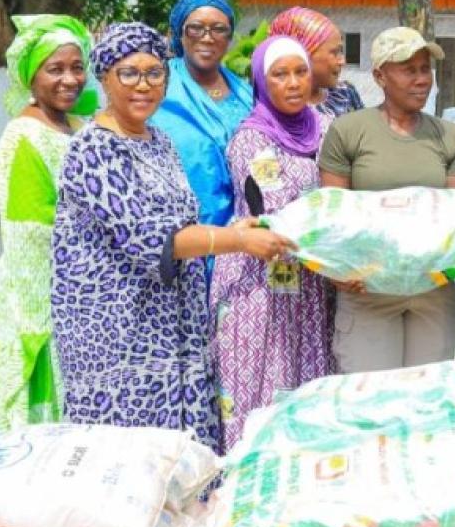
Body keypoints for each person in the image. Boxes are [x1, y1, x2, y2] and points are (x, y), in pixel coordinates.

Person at [51, 23, 295, 450]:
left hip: (172, 321)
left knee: (179, 457)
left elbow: (180, 221)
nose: (143, 85)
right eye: (129, 73)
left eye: (155, 73)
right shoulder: (94, 149)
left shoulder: (158, 140)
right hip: (117, 331)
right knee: (128, 457)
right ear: (105, 77)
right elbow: (152, 237)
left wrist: (235, 229)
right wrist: (235, 242)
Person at [318, 26, 455, 373]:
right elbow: (333, 213)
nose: (421, 80)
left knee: (425, 399)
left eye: (425, 69)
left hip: (432, 288)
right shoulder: (349, 131)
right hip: (367, 292)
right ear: (380, 75)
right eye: (408, 69)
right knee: (369, 399)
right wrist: (338, 269)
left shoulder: (449, 136)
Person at [213, 36, 334, 451]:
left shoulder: (326, 127)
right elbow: (278, 206)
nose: (294, 83)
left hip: (310, 281)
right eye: (279, 75)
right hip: (259, 282)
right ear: (263, 84)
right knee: (258, 381)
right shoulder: (252, 138)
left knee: (303, 382)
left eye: (300, 72)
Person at [0, 14, 98, 434]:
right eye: (55, 69)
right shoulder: (23, 137)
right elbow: (30, 231)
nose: (69, 79)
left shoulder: (78, 126)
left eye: (76, 67)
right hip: (45, 294)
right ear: (30, 77)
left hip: (84, 293)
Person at [151, 0, 253, 232]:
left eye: (219, 29)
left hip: (243, 236)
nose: (207, 37)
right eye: (196, 28)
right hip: (180, 234)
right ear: (180, 34)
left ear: (229, 38)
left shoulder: (248, 93)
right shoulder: (157, 86)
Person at [268, 6, 364, 119]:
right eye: (335, 52)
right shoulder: (277, 112)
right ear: (304, 54)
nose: (342, 61)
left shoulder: (345, 94)